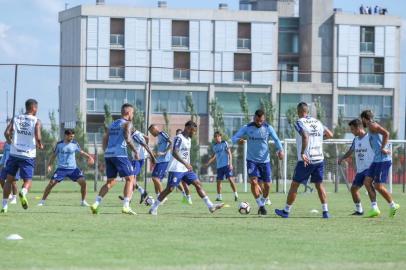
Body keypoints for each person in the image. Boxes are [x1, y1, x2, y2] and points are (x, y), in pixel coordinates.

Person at [149, 121, 224, 215]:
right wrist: (185, 163)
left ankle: (210, 206)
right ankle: (154, 207)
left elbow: (185, 154)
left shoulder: (188, 139)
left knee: (198, 184)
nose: (194, 133)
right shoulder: (179, 138)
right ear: (188, 128)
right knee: (170, 189)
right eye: (194, 131)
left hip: (185, 169)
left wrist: (188, 164)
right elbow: (174, 153)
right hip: (176, 168)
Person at [275, 102, 333, 219]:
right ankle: (325, 211)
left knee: (294, 185)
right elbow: (330, 134)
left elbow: (305, 136)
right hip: (319, 158)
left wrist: (302, 153)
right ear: (307, 111)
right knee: (319, 185)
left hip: (306, 159)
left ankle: (286, 211)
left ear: (299, 111)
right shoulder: (318, 122)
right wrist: (318, 139)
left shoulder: (299, 122)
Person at [232, 109, 284, 216]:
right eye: (257, 119)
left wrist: (280, 150)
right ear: (254, 118)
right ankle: (260, 205)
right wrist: (238, 140)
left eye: (261, 120)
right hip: (251, 160)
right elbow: (233, 138)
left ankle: (263, 203)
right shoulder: (247, 127)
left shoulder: (268, 128)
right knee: (254, 182)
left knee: (268, 186)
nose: (259, 122)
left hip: (265, 161)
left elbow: (277, 140)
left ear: (264, 119)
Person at [90, 103, 139, 215]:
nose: (133, 115)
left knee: (111, 181)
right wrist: (135, 151)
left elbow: (105, 138)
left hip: (109, 154)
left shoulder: (113, 124)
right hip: (120, 155)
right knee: (130, 179)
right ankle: (126, 206)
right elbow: (127, 138)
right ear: (128, 113)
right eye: (133, 113)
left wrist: (106, 150)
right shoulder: (127, 123)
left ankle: (96, 204)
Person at [1, 99, 44, 213]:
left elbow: (6, 133)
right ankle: (23, 192)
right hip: (28, 155)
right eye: (37, 108)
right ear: (33, 108)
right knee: (28, 181)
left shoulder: (16, 118)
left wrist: (10, 142)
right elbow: (38, 136)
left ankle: (4, 206)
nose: (37, 110)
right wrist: (40, 144)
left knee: (9, 180)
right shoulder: (36, 121)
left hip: (14, 153)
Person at [37, 129, 94, 207]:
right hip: (61, 169)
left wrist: (89, 157)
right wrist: (49, 165)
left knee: (83, 183)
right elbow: (54, 155)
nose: (72, 138)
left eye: (73, 136)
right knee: (51, 183)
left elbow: (81, 152)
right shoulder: (59, 144)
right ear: (66, 135)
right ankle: (42, 201)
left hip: (73, 169)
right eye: (70, 136)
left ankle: (83, 201)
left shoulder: (75, 144)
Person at [360, 110, 399, 218]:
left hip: (383, 160)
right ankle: (374, 208)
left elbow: (386, 133)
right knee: (367, 182)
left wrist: (383, 148)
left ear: (364, 118)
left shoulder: (372, 125)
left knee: (378, 185)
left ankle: (393, 205)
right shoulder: (370, 127)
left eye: (361, 119)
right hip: (376, 160)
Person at [338, 119, 374, 216]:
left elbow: (378, 148)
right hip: (360, 170)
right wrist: (342, 158)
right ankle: (359, 210)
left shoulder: (370, 137)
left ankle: (374, 208)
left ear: (358, 128)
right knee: (353, 189)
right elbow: (350, 151)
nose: (351, 131)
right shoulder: (356, 139)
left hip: (370, 168)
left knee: (368, 184)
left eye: (353, 129)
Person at [118, 128, 156, 204]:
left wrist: (152, 157)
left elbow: (145, 145)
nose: (126, 132)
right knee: (131, 178)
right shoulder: (138, 133)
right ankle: (129, 198)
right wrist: (144, 152)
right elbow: (147, 138)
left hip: (137, 160)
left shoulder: (135, 136)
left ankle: (139, 193)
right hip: (138, 159)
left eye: (126, 131)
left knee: (131, 178)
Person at [205, 131, 238, 202]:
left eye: (218, 136)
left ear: (220, 137)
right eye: (215, 137)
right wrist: (208, 163)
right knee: (219, 182)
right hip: (219, 167)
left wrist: (231, 164)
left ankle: (235, 194)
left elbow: (229, 153)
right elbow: (214, 156)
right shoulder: (215, 146)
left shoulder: (224, 143)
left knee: (230, 179)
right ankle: (219, 197)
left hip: (226, 165)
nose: (217, 138)